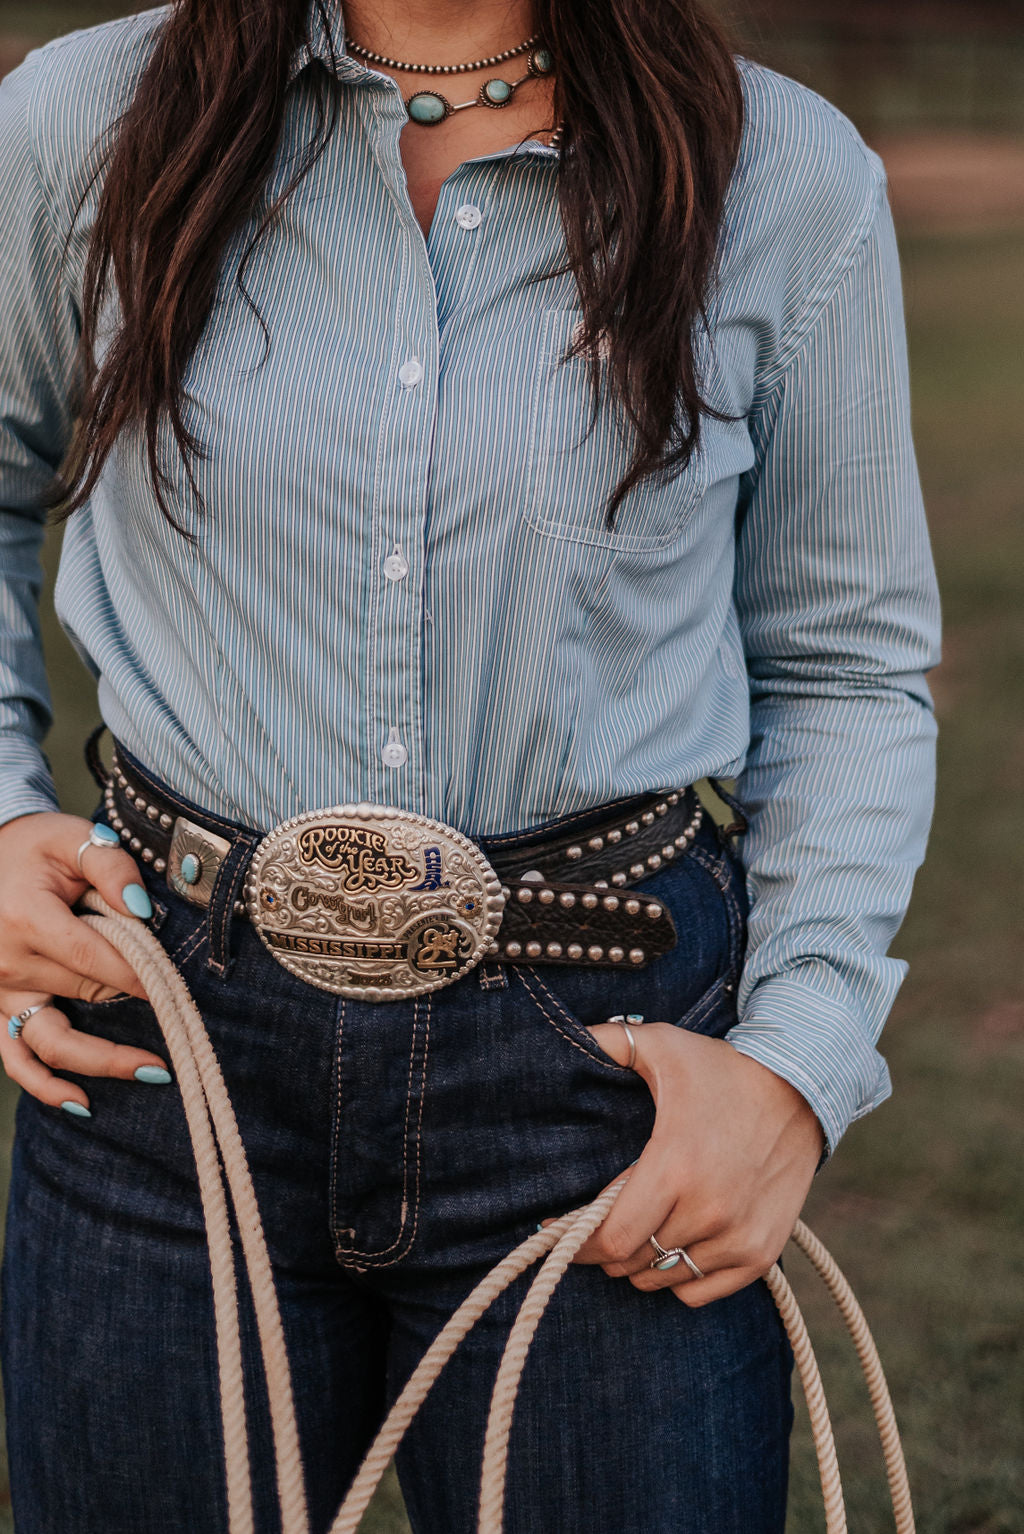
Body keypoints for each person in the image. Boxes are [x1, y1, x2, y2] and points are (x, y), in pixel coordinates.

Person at [0, 0, 940, 1529]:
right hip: (165, 1041)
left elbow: (843, 662)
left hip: (605, 1067)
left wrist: (794, 1060)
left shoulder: (784, 174)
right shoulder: (79, 119)